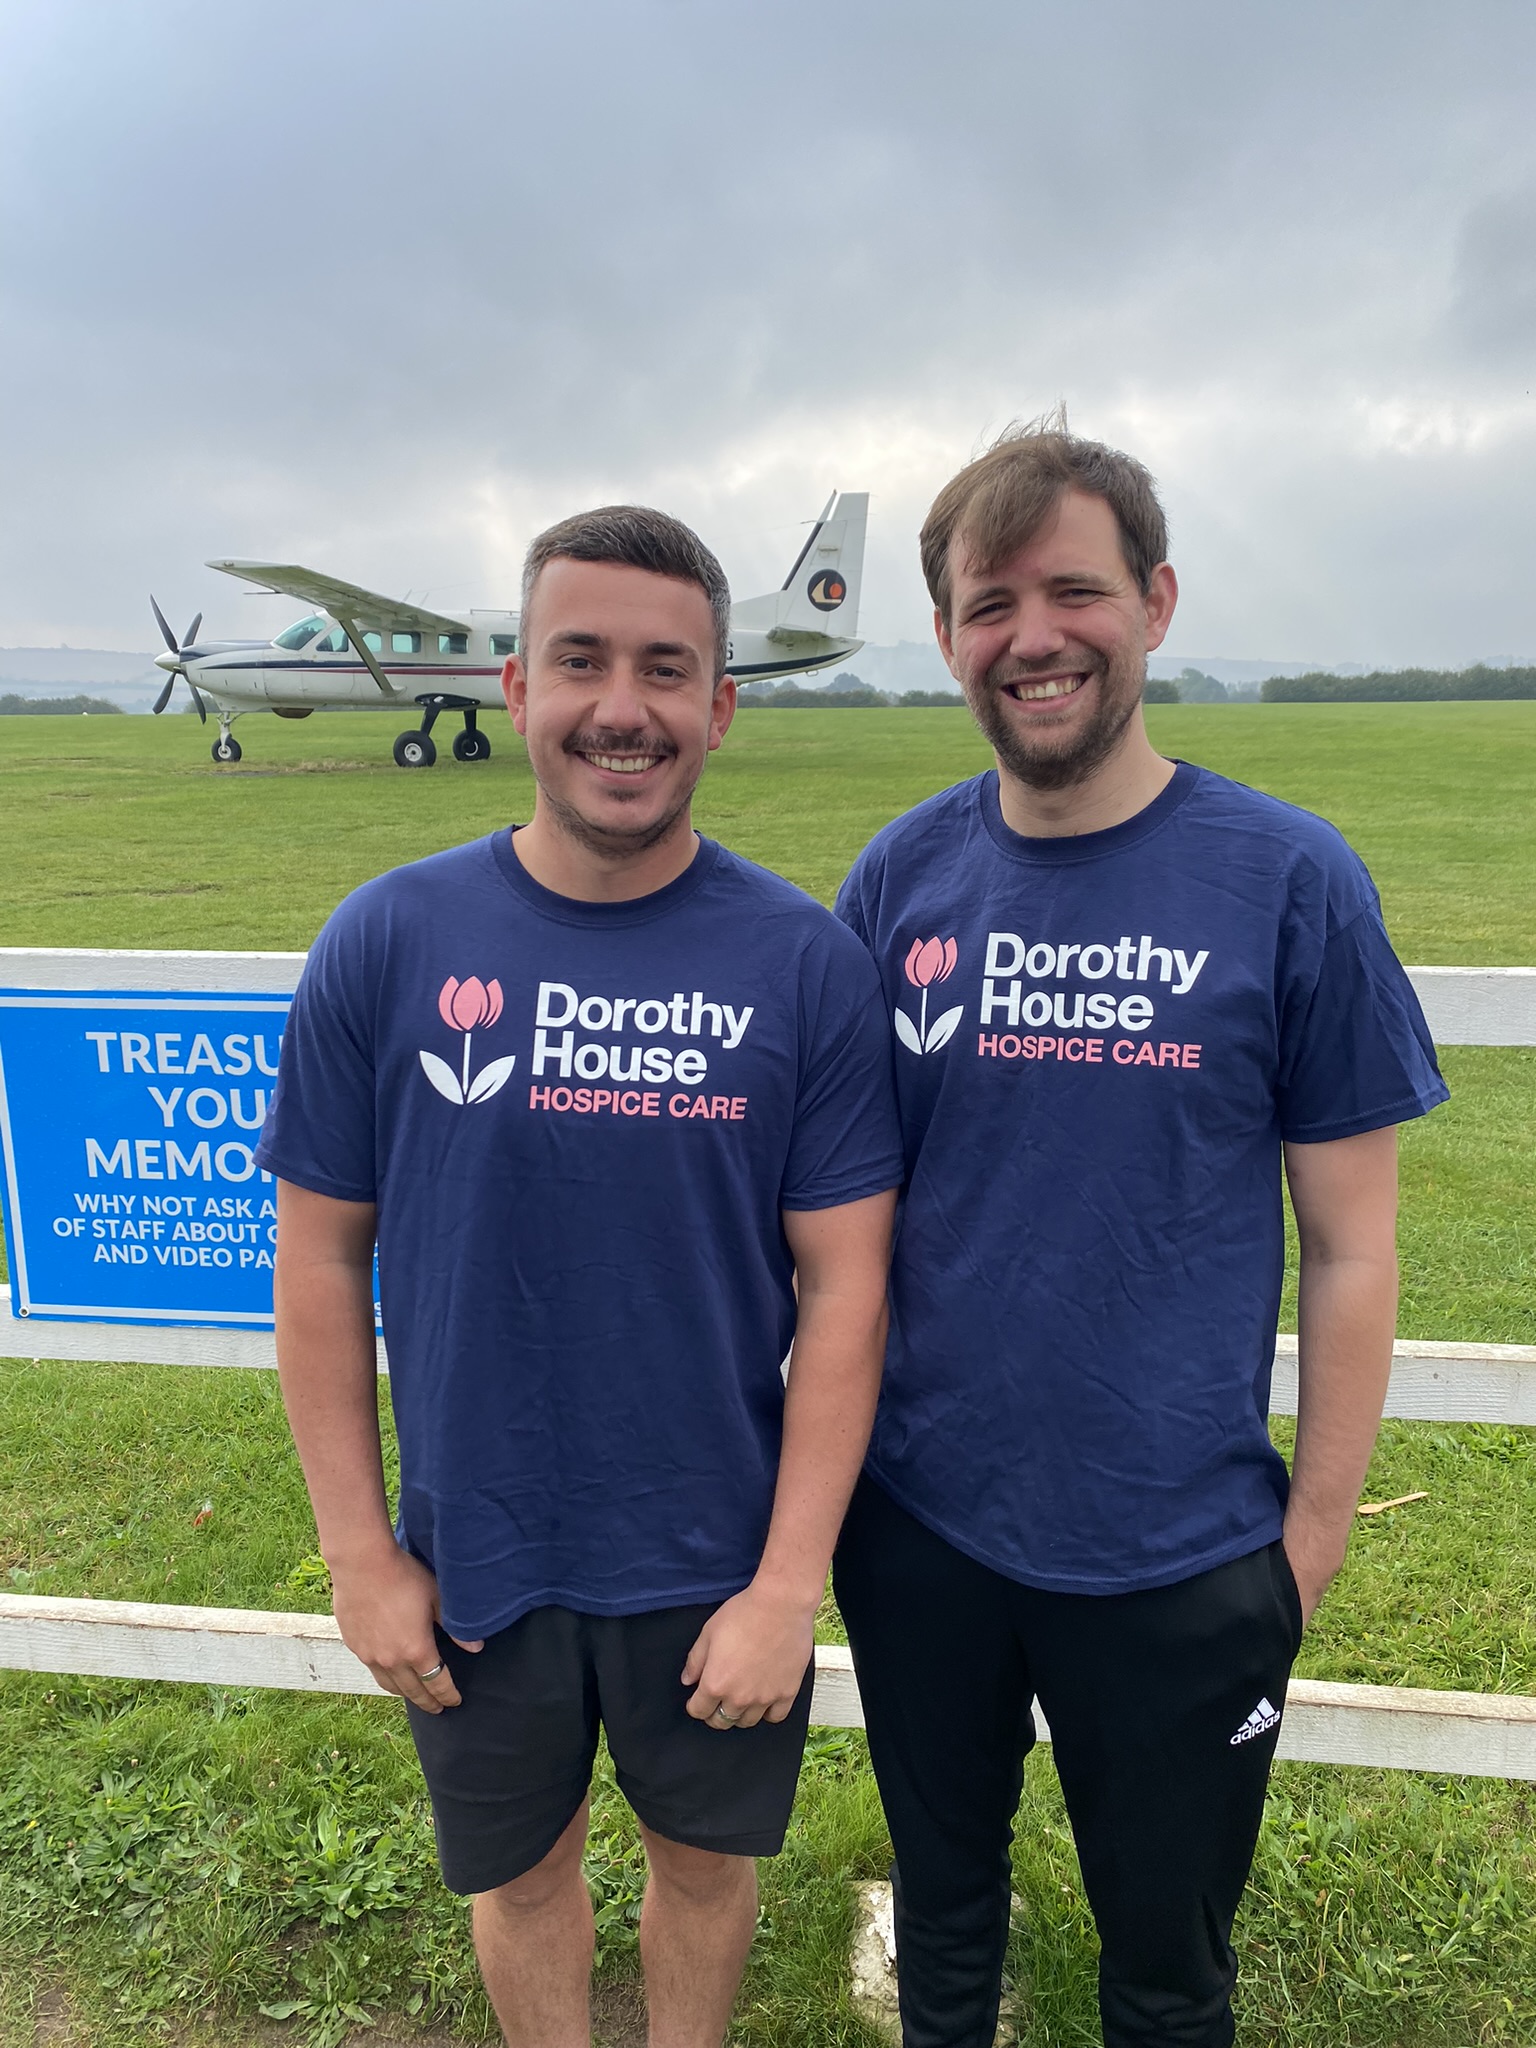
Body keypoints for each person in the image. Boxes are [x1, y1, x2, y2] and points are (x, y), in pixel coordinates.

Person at [831, 417, 1447, 2048]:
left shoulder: (1291, 882)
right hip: (920, 1532)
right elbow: (837, 1221)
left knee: (1168, 1972)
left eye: (1073, 591)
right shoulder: (898, 884)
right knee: (944, 1933)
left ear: (1156, 604)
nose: (1032, 637)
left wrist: (1304, 1548)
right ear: (952, 636)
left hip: (1180, 1558)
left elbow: (1355, 1248)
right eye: (987, 603)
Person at [256, 505, 901, 2048]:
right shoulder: (387, 940)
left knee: (702, 1870)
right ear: (515, 687)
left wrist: (784, 1585)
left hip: (709, 1556)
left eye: (668, 669)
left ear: (721, 705)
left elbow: (849, 1295)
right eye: (583, 660)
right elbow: (320, 1261)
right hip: (477, 1549)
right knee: (527, 1882)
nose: (625, 705)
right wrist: (358, 1554)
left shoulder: (804, 964)